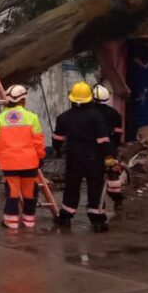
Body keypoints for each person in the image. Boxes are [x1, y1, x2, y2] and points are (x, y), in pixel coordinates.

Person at [52, 82, 114, 233]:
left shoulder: (63, 117)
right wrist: (109, 157)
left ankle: (66, 216)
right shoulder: (96, 116)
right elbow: (103, 140)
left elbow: (57, 140)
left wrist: (58, 150)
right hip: (94, 159)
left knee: (72, 187)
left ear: (72, 98)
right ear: (89, 98)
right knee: (95, 188)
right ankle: (98, 221)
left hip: (73, 158)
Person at [0, 85, 47, 229]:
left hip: (8, 163)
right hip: (29, 162)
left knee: (12, 192)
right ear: (23, 100)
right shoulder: (32, 117)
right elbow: (38, 141)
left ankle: (11, 222)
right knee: (29, 192)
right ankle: (29, 220)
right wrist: (40, 157)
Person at [90, 84, 127, 210]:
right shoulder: (114, 114)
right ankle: (118, 201)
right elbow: (117, 134)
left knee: (96, 178)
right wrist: (113, 148)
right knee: (113, 175)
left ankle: (99, 203)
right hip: (109, 153)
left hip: (93, 153)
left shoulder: (90, 113)